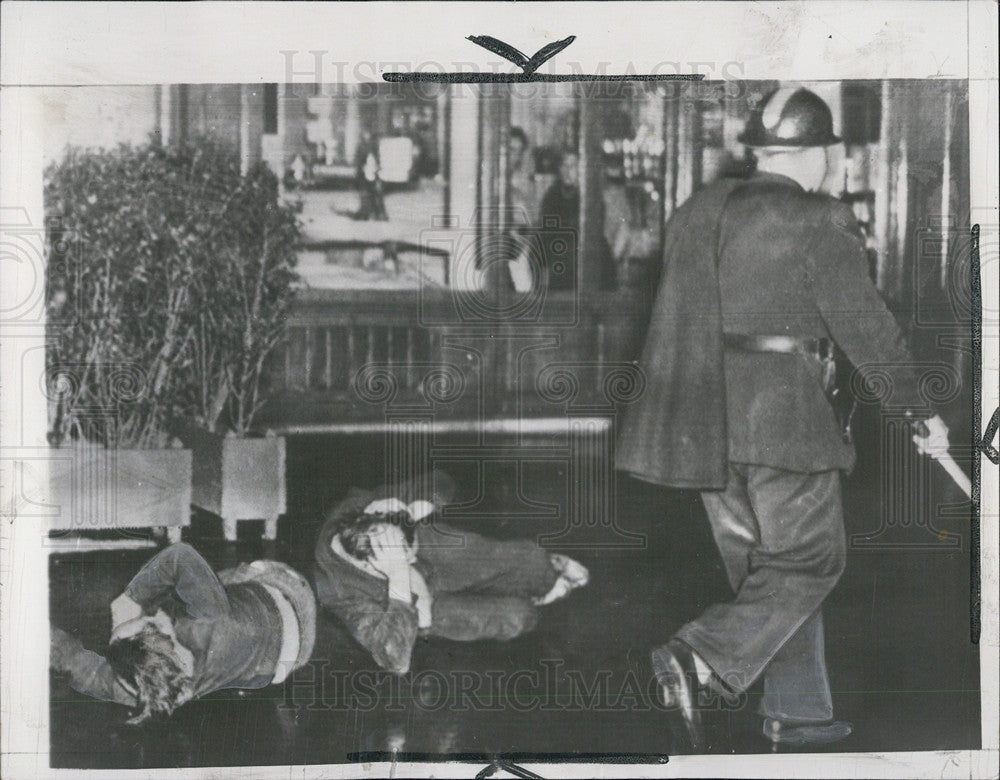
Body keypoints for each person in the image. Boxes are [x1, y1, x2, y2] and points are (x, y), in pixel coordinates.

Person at [616, 87, 951, 750]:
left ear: (762, 151)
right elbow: (865, 327)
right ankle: (699, 655)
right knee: (808, 561)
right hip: (783, 420)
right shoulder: (818, 217)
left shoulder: (699, 208)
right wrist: (917, 409)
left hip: (702, 421)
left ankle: (796, 711)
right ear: (821, 155)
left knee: (763, 574)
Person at [313, 471, 589, 675]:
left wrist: (421, 503)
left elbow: (443, 481)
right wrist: (400, 575)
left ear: (373, 520)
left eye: (408, 550)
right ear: (368, 566)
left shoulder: (360, 509)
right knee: (518, 617)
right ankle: (536, 601)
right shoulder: (339, 595)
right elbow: (395, 660)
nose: (409, 558)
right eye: (402, 556)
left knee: (530, 560)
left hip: (434, 554)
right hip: (417, 605)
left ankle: (547, 573)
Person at [50, 543, 315, 724]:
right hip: (286, 612)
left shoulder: (154, 693)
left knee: (233, 580)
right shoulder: (203, 617)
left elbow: (89, 672)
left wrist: (43, 636)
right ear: (158, 627)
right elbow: (179, 555)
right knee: (210, 586)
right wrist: (131, 599)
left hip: (287, 638)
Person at [537, 150, 616, 291]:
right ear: (559, 169)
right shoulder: (552, 197)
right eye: (564, 166)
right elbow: (545, 237)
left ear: (583, 169)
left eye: (573, 166)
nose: (568, 171)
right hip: (561, 265)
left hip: (591, 265)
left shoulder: (592, 196)